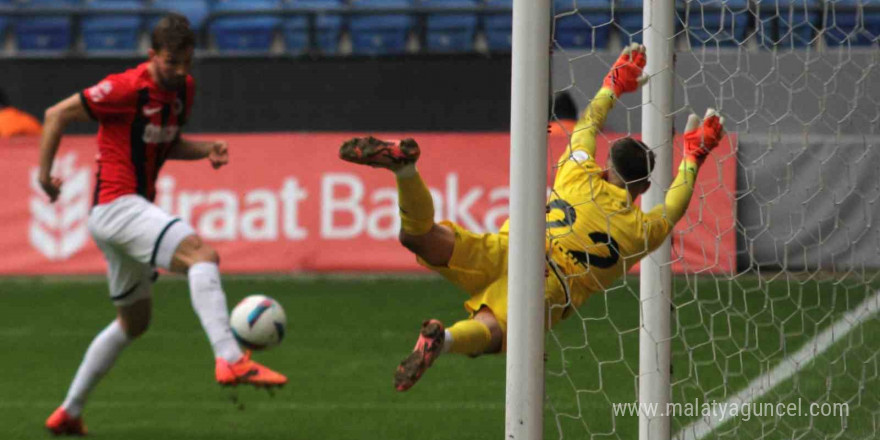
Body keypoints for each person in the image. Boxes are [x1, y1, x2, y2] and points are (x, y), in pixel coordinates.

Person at [338, 43, 726, 392]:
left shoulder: (578, 174)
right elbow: (675, 205)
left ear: (607, 168)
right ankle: (446, 340)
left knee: (420, 238)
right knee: (499, 331)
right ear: (642, 189)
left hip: (514, 245)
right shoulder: (641, 231)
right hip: (552, 282)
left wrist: (614, 84)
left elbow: (588, 123)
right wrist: (694, 157)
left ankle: (405, 171)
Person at [38, 14, 287, 436]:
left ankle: (69, 412)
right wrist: (45, 177)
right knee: (202, 256)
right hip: (118, 205)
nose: (180, 71)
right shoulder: (124, 88)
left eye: (187, 62)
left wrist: (206, 149)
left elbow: (164, 142)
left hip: (117, 216)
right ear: (152, 55)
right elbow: (55, 113)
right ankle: (229, 356)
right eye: (171, 62)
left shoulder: (182, 90)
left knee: (134, 323)